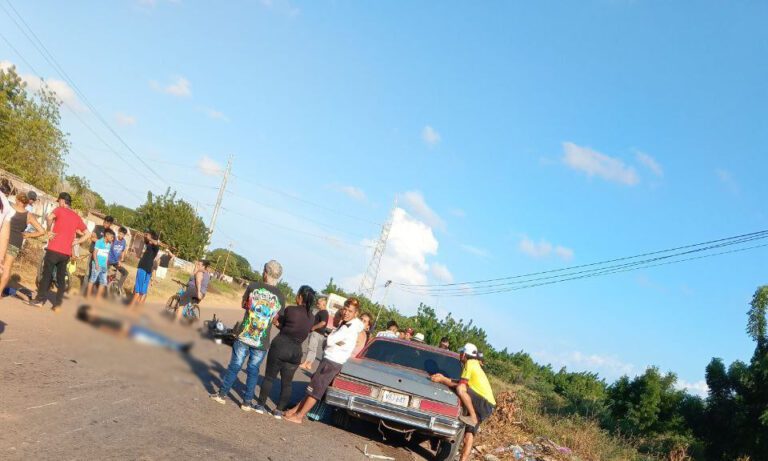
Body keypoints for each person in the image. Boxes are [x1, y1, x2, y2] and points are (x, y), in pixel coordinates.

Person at [210, 260, 286, 408]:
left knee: (235, 366)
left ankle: (222, 395)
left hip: (244, 335)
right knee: (253, 371)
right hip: (261, 341)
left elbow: (244, 304)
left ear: (265, 273)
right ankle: (247, 402)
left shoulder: (253, 287)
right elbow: (276, 318)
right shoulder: (280, 296)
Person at [284, 298, 363, 424]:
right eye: (345, 309)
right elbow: (332, 342)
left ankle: (299, 416)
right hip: (329, 359)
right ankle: (295, 410)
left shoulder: (348, 328)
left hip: (332, 362)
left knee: (315, 391)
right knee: (312, 388)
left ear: (355, 314)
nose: (346, 313)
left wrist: (332, 337)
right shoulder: (348, 325)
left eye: (350, 311)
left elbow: (330, 341)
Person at [254, 285, 316, 417]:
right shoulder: (312, 317)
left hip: (281, 346)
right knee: (287, 383)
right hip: (296, 351)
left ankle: (260, 405)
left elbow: (283, 325)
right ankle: (278, 411)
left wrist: (277, 323)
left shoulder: (291, 310)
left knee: (269, 377)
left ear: (300, 297)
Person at [430, 343, 496, 461]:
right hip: (488, 405)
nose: (460, 355)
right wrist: (445, 379)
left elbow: (460, 386)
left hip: (483, 402)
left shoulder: (469, 364)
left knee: (460, 389)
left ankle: (473, 416)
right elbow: (460, 381)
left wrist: (442, 380)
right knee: (468, 435)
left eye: (461, 353)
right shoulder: (475, 364)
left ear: (464, 354)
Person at [29, 192, 91, 312]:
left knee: (46, 275)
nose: (58, 203)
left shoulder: (59, 210)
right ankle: (57, 304)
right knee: (61, 279)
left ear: (62, 201)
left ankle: (40, 300)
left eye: (59, 201)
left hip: (54, 249)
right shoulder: (76, 217)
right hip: (65, 253)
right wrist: (76, 242)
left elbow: (49, 217)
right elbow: (87, 233)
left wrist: (48, 230)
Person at [76, 305, 192, 353]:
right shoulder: (96, 323)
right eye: (90, 310)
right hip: (130, 333)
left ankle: (176, 345)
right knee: (156, 340)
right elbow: (108, 330)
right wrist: (122, 333)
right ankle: (178, 347)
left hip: (131, 328)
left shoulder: (99, 318)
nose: (94, 310)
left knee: (156, 336)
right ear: (87, 315)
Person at [0, 192, 46, 298]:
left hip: (2, 239)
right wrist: (28, 235)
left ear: (17, 200)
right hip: (15, 243)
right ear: (26, 203)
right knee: (7, 268)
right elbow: (42, 231)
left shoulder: (9, 208)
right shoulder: (28, 215)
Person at [82, 216, 115, 295]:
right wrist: (101, 242)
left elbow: (111, 243)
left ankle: (92, 293)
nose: (105, 224)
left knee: (99, 277)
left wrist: (103, 241)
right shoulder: (97, 227)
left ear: (110, 224)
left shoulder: (110, 232)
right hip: (93, 253)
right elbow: (92, 238)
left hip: (103, 258)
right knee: (88, 273)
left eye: (107, 223)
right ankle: (83, 291)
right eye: (105, 221)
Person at [129, 230, 160, 309]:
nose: (147, 237)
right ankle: (137, 309)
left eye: (149, 235)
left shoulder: (155, 246)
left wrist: (150, 238)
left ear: (152, 237)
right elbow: (145, 239)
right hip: (147, 268)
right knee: (142, 292)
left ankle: (131, 309)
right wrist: (145, 235)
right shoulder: (149, 244)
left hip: (144, 268)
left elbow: (156, 243)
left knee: (138, 291)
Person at [300, 294, 329, 370]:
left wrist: (313, 327)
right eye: (317, 303)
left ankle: (306, 363)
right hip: (318, 333)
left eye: (319, 303)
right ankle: (309, 364)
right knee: (313, 349)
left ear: (324, 304)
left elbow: (323, 323)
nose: (317, 304)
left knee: (311, 348)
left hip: (316, 333)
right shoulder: (323, 312)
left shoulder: (323, 312)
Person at [86, 228, 115, 299]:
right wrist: (96, 264)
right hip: (97, 264)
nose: (112, 238)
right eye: (111, 237)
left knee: (103, 282)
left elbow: (107, 255)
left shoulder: (109, 244)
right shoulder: (99, 242)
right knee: (92, 280)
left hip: (104, 266)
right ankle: (88, 296)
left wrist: (106, 265)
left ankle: (98, 298)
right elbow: (94, 253)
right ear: (107, 235)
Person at [107, 227, 129, 291]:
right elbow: (108, 248)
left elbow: (122, 251)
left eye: (123, 234)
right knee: (103, 273)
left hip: (116, 262)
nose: (121, 235)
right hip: (109, 260)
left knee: (125, 273)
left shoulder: (124, 241)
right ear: (118, 232)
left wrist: (121, 260)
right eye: (120, 233)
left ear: (124, 235)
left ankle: (118, 287)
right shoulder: (113, 239)